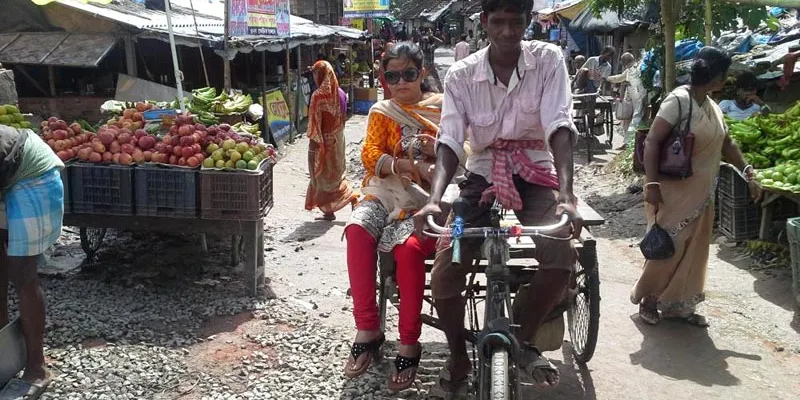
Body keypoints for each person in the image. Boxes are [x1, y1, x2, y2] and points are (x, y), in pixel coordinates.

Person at [414, 0, 583, 395]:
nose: (509, 31)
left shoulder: (548, 59)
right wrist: (434, 199)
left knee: (561, 259)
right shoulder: (461, 74)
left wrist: (567, 195)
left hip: (537, 171)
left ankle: (521, 335)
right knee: (445, 273)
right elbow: (451, 139)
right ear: (484, 22)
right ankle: (457, 355)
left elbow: (559, 123)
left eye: (517, 22)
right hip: (481, 175)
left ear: (528, 23)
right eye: (500, 22)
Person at [633, 47, 760, 327]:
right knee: (669, 245)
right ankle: (650, 298)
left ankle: (680, 304)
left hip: (704, 193)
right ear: (716, 77)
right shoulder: (677, 101)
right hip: (673, 191)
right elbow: (653, 141)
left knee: (696, 248)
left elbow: (727, 144)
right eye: (724, 75)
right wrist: (651, 183)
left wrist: (748, 170)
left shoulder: (713, 106)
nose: (726, 80)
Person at [343, 42, 442, 392]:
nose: (401, 82)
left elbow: (466, 148)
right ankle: (367, 328)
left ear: (423, 74)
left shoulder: (443, 110)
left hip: (427, 198)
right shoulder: (381, 112)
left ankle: (408, 342)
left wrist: (436, 147)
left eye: (409, 74)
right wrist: (400, 164)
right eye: (393, 76)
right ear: (384, 78)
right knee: (356, 229)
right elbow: (370, 153)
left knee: (408, 250)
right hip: (385, 190)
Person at [0, 125, 64, 399]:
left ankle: (37, 367)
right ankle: (4, 353)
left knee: (22, 270)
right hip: (5, 173)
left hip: (32, 173)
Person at [304, 61, 357, 221]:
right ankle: (329, 211)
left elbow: (314, 123)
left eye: (314, 73)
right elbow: (344, 116)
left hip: (322, 142)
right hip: (338, 139)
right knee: (336, 173)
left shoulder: (318, 96)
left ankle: (351, 197)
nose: (314, 77)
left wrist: (314, 144)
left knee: (320, 176)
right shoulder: (340, 92)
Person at [607, 52, 646, 147]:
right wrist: (607, 78)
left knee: (636, 117)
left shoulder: (639, 67)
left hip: (638, 94)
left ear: (624, 62)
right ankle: (626, 141)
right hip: (631, 95)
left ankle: (629, 142)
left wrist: (607, 78)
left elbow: (620, 78)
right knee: (627, 117)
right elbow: (619, 78)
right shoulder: (629, 70)